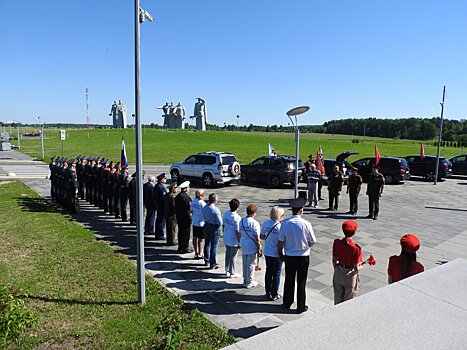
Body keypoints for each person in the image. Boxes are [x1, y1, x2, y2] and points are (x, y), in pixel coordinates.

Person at [278, 197, 317, 313]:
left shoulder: (285, 224)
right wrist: (306, 246)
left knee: (289, 280)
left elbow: (281, 241)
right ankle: (300, 306)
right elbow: (313, 241)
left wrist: (280, 253)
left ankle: (287, 302)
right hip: (303, 256)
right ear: (301, 211)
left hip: (289, 255)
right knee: (301, 282)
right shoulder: (306, 224)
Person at [332, 220, 363, 304]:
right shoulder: (356, 248)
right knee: (348, 301)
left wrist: (337, 268)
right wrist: (362, 266)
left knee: (337, 299)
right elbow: (356, 268)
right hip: (350, 274)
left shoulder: (337, 242)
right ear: (354, 232)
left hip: (338, 272)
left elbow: (334, 260)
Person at [261, 206, 285, 301]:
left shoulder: (266, 223)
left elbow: (262, 236)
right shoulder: (280, 226)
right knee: (276, 273)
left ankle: (268, 292)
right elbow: (282, 240)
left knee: (268, 272)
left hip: (267, 251)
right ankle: (274, 293)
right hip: (277, 253)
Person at [240, 204, 261, 288]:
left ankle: (245, 279)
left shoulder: (241, 221)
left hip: (243, 242)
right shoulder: (255, 223)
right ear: (254, 213)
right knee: (251, 264)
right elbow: (257, 237)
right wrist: (259, 247)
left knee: (245, 262)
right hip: (251, 245)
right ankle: (249, 281)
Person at [202, 193, 223, 269]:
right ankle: (213, 262)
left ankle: (206, 260)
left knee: (207, 244)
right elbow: (220, 222)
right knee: (214, 246)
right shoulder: (216, 210)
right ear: (215, 200)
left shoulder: (205, 207)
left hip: (207, 225)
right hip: (214, 227)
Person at [223, 198, 242, 278]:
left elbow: (223, 225)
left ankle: (227, 270)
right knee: (233, 256)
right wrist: (239, 241)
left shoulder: (226, 213)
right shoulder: (237, 217)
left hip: (226, 236)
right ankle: (232, 272)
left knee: (228, 253)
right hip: (233, 238)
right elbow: (237, 231)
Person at [175, 180, 192, 254]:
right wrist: (190, 218)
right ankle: (185, 248)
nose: (189, 188)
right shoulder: (186, 197)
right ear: (185, 188)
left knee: (180, 232)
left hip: (179, 217)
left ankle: (180, 247)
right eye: (188, 187)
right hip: (185, 218)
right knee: (186, 233)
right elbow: (188, 209)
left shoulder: (178, 196)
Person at [191, 189, 206, 259]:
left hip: (195, 221)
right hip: (201, 222)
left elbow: (191, 210)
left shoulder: (193, 201)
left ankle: (196, 252)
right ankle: (200, 253)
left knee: (195, 237)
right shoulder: (202, 203)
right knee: (201, 239)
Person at [154, 173, 168, 239]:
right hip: (162, 206)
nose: (166, 179)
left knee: (159, 219)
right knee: (161, 220)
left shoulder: (157, 186)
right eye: (165, 178)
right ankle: (160, 234)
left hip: (159, 205)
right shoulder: (160, 187)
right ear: (161, 179)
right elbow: (163, 197)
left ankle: (158, 233)